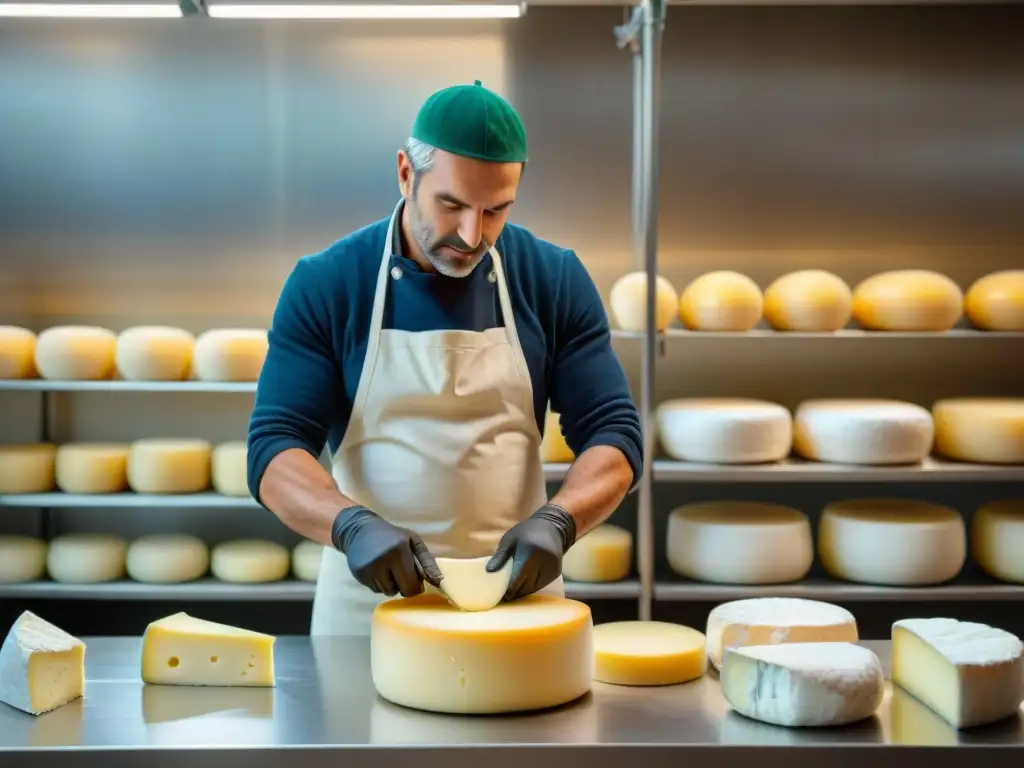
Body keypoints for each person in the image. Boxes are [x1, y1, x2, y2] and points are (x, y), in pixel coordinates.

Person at [246, 80, 643, 635]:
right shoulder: (329, 283)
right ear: (407, 174)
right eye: (451, 204)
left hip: (518, 602)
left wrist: (561, 520)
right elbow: (274, 447)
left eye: (496, 210)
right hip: (371, 609)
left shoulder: (551, 278)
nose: (471, 233)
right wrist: (349, 525)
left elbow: (615, 433)